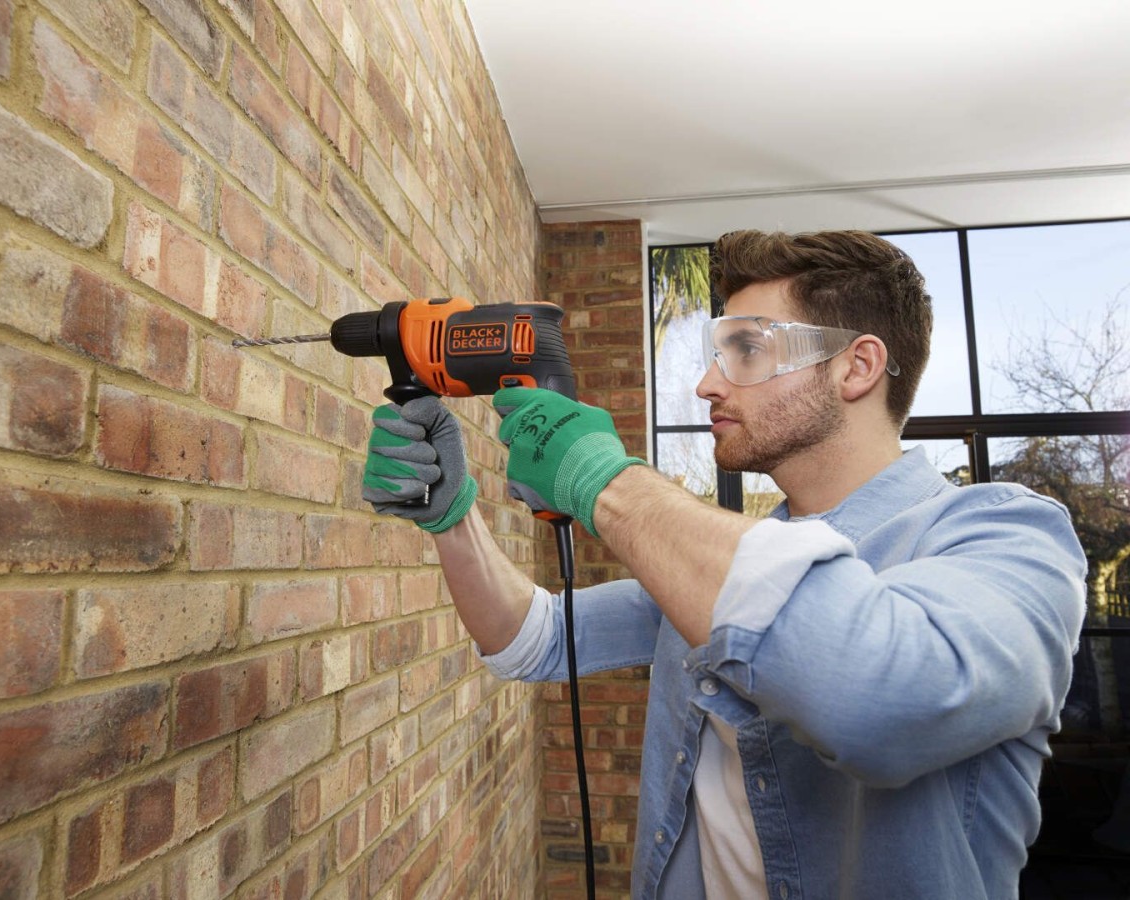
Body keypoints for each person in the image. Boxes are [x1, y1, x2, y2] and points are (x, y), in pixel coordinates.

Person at [361, 230, 1088, 899]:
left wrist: (605, 482)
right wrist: (451, 516)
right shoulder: (722, 565)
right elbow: (537, 638)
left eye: (745, 350)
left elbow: (880, 700)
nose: (708, 385)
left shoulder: (1007, 536)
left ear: (857, 367)